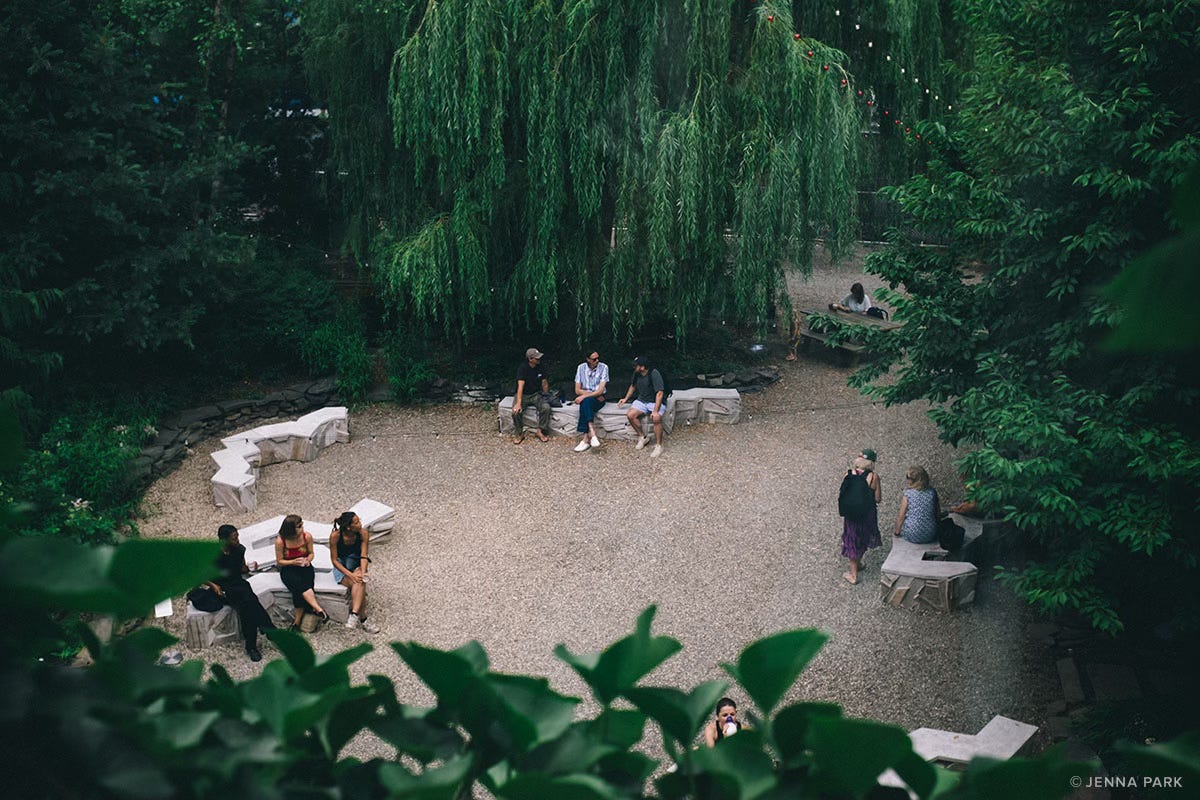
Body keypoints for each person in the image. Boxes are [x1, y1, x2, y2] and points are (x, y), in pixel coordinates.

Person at [205, 524, 275, 661]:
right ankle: (266, 629)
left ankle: (254, 645)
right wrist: (213, 585)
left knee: (247, 606)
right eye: (233, 539)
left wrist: (251, 567)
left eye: (237, 537)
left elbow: (243, 570)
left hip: (238, 584)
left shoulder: (239, 549)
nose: (237, 541)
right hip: (223, 588)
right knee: (248, 601)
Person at [274, 514, 330, 630]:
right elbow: (279, 561)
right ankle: (318, 609)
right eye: (299, 526)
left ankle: (297, 622)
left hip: (305, 567)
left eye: (301, 524)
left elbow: (311, 553)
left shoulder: (307, 537)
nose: (302, 527)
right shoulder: (280, 541)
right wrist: (293, 562)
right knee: (300, 586)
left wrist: (308, 560)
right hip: (289, 568)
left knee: (299, 589)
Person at [330, 511, 381, 634]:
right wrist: (350, 574)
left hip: (356, 563)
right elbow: (334, 560)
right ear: (348, 527)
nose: (360, 524)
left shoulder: (363, 533)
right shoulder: (335, 536)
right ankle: (363, 619)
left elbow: (364, 556)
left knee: (360, 580)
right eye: (357, 522)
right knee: (359, 583)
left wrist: (363, 572)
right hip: (341, 566)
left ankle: (354, 614)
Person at [840, 449, 882, 585]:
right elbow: (878, 499)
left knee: (852, 539)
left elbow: (843, 493)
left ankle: (854, 572)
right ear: (872, 462)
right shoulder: (874, 477)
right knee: (863, 537)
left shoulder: (848, 473)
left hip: (851, 514)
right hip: (867, 514)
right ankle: (855, 573)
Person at [617, 356, 667, 458]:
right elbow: (633, 386)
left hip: (655, 401)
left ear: (643, 367)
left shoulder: (654, 373)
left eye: (636, 365)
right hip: (642, 400)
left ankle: (659, 445)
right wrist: (625, 398)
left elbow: (660, 393)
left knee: (656, 418)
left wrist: (656, 411)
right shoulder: (637, 374)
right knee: (630, 415)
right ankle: (642, 437)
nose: (634, 367)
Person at [571, 349, 608, 452]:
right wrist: (589, 395)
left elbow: (600, 390)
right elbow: (577, 390)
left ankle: (586, 439)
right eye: (594, 359)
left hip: (599, 399)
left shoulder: (604, 367)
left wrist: (584, 396)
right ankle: (592, 434)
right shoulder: (581, 368)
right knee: (586, 402)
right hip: (594, 397)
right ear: (588, 359)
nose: (597, 361)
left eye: (598, 358)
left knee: (584, 402)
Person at [512, 347, 552, 444]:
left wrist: (546, 396)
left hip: (536, 394)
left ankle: (541, 430)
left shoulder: (541, 367)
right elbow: (520, 386)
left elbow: (544, 383)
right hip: (524, 394)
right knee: (516, 411)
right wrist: (518, 403)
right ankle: (519, 432)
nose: (539, 360)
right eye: (537, 358)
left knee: (546, 408)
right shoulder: (523, 368)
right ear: (530, 359)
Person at [894, 465, 940, 544]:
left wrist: (897, 533)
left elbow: (901, 516)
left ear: (913, 480)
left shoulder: (908, 494)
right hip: (930, 534)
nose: (907, 480)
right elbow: (937, 513)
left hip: (912, 534)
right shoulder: (932, 492)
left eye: (908, 478)